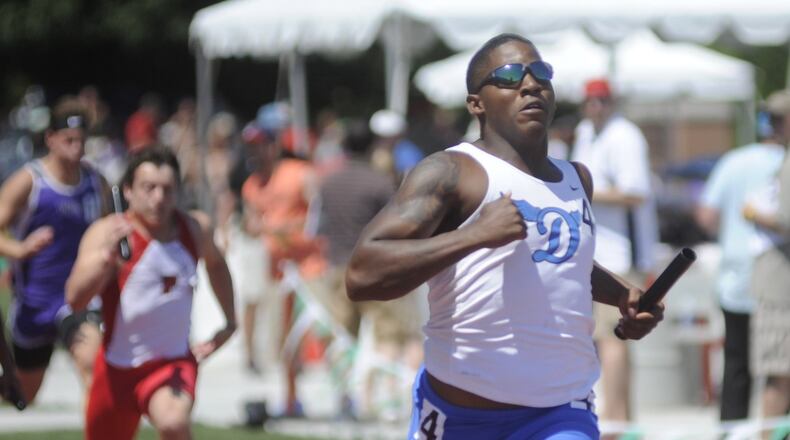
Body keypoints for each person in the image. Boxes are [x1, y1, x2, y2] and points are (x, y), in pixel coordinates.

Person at [345, 33, 664, 439]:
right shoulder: (451, 172)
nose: (530, 84)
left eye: (540, 73)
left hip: (561, 410)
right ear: (476, 103)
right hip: (460, 413)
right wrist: (473, 235)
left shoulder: (576, 177)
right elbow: (362, 274)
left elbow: (559, 260)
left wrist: (621, 294)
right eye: (509, 76)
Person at [64, 146, 236, 440]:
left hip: (172, 363)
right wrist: (106, 260)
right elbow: (75, 298)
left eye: (167, 189)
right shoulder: (108, 233)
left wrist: (230, 321)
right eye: (149, 188)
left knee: (173, 423)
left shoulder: (194, 228)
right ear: (128, 192)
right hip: (117, 368)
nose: (159, 198)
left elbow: (217, 265)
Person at [0, 97, 108, 404]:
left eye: (81, 141)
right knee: (21, 396)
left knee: (91, 364)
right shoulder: (30, 182)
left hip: (77, 299)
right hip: (35, 303)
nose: (76, 148)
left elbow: (112, 226)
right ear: (51, 139)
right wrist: (19, 250)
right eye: (68, 140)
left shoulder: (95, 182)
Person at [571, 78, 658, 428]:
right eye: (590, 101)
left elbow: (635, 193)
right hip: (597, 251)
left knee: (614, 338)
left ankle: (616, 421)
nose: (596, 107)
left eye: (602, 100)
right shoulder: (586, 133)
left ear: (613, 102)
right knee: (603, 339)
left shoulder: (625, 136)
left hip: (623, 254)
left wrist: (584, 192)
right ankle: (617, 418)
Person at [695, 93, 788, 422]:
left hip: (737, 279)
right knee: (779, 374)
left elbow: (706, 214)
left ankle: (731, 432)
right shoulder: (781, 161)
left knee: (737, 367)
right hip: (776, 282)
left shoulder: (734, 160)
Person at [740, 89, 790, 438]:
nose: (772, 126)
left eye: (777, 119)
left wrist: (755, 213)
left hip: (781, 287)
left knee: (778, 375)